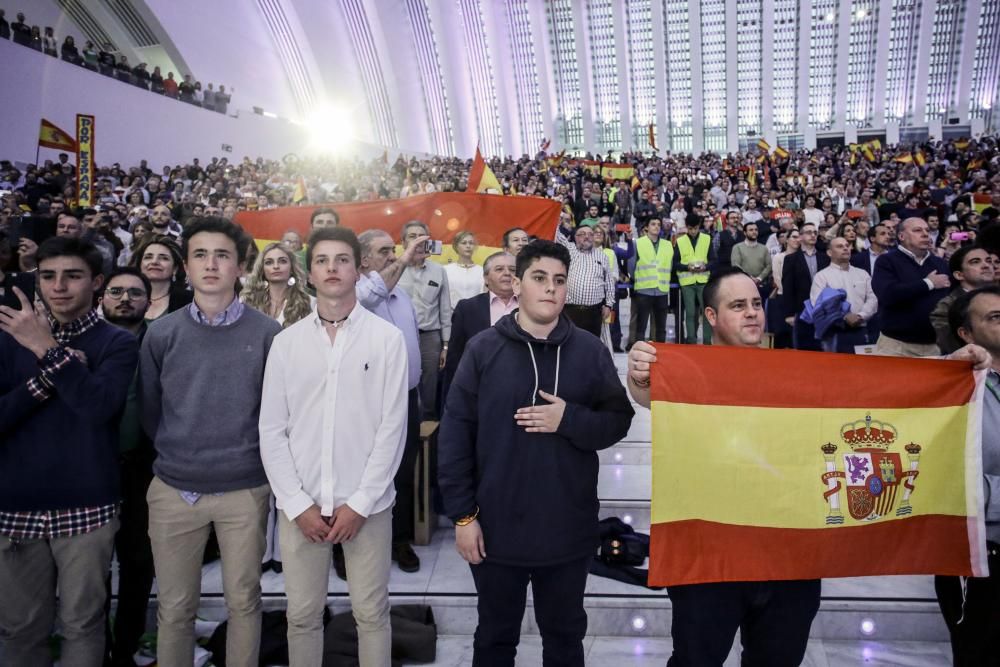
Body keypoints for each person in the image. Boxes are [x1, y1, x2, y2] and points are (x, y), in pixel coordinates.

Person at [439, 240, 634, 666]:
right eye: (540, 278)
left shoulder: (589, 351)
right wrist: (463, 516)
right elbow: (454, 435)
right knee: (494, 638)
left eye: (559, 280)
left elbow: (619, 420)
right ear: (518, 284)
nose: (550, 289)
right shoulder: (483, 349)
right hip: (495, 529)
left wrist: (569, 420)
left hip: (567, 529)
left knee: (564, 639)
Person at [260, 226, 408, 667]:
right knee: (302, 616)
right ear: (309, 271)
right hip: (300, 503)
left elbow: (392, 428)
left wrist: (360, 502)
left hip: (367, 504)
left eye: (342, 259)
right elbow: (272, 429)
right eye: (322, 260)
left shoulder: (386, 339)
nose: (332, 268)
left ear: (358, 267)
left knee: (371, 613)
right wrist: (295, 502)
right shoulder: (286, 343)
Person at [139, 218, 282, 667]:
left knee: (244, 602)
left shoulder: (267, 334)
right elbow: (150, 409)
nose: (211, 264)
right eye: (200, 255)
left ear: (241, 266)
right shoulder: (162, 333)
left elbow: (275, 413)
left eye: (222, 255)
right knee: (175, 608)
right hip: (175, 489)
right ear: (185, 267)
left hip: (244, 489)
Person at [0, 238, 138, 666]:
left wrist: (46, 350)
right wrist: (51, 376)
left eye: (72, 276)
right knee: (19, 628)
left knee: (84, 624)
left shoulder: (117, 342)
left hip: (87, 507)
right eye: (47, 276)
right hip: (15, 507)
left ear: (96, 283)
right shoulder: (5, 339)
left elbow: (98, 407)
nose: (58, 286)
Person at [356, 228, 426, 574]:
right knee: (365, 473)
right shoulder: (355, 294)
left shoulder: (403, 297)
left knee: (403, 473)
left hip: (407, 399)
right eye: (384, 251)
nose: (393, 255)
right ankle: (350, 547)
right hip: (369, 402)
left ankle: (399, 540)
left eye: (393, 250)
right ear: (364, 259)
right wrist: (405, 257)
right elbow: (371, 293)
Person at [939, 286, 1000, 666]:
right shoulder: (954, 382)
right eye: (994, 317)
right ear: (966, 333)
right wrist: (949, 365)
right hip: (981, 554)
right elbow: (947, 479)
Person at [99, 267, 156, 667]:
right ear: (101, 296)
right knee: (94, 569)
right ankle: (96, 646)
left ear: (148, 301)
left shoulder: (162, 339)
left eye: (135, 293)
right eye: (116, 291)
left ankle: (125, 648)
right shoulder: (86, 340)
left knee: (138, 563)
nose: (125, 299)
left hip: (146, 468)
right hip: (92, 467)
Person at [872, 217, 951, 357]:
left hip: (935, 345)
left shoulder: (940, 263)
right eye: (917, 230)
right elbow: (887, 294)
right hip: (896, 346)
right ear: (901, 236)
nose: (925, 234)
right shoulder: (886, 261)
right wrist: (928, 283)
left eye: (927, 230)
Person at [398, 220, 452, 420]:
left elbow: (445, 309)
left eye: (422, 236)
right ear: (403, 242)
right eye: (412, 236)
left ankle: (428, 435)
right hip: (400, 337)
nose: (418, 240)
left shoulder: (438, 271)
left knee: (430, 387)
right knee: (401, 383)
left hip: (430, 338)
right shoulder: (394, 269)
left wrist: (445, 345)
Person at [443, 251, 517, 394]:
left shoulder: (531, 307)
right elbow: (455, 357)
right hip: (479, 386)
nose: (507, 273)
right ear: (486, 278)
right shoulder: (467, 308)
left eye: (513, 270)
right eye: (499, 269)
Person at [809, 237, 878, 353]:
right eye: (840, 246)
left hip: (862, 329)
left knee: (863, 368)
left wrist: (861, 315)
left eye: (847, 245)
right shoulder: (821, 276)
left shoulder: (862, 274)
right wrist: (845, 316)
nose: (846, 248)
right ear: (829, 253)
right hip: (834, 333)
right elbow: (818, 303)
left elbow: (873, 298)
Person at [930, 245, 996, 354]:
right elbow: (950, 345)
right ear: (959, 275)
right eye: (975, 262)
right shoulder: (947, 305)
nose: (986, 265)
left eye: (988, 261)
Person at [555, 223, 615, 338]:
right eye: (582, 234)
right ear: (575, 237)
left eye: (590, 234)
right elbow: (556, 232)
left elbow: (609, 282)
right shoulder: (570, 249)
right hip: (570, 311)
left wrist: (608, 305)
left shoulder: (602, 256)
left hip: (594, 312)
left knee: (591, 344)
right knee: (569, 342)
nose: (586, 237)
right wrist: (557, 209)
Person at [241, 241, 313, 327]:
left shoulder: (309, 302)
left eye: (282, 261)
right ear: (262, 269)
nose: (276, 266)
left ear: (291, 267)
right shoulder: (247, 300)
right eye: (269, 262)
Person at [782, 222, 830, 351]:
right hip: (801, 310)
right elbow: (788, 287)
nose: (813, 235)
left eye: (815, 232)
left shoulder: (825, 258)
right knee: (804, 349)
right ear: (801, 237)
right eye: (809, 232)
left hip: (823, 310)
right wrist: (789, 314)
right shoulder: (791, 259)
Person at [629, 218, 673, 343]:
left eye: (659, 224)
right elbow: (631, 266)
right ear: (646, 227)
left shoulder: (668, 244)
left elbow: (669, 265)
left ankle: (661, 354)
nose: (657, 227)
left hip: (662, 291)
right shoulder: (637, 243)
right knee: (641, 327)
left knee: (661, 328)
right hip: (644, 289)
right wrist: (638, 278)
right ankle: (639, 353)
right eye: (653, 224)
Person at [130, 236, 192, 321]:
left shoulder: (190, 301)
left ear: (175, 269)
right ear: (140, 265)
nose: (154, 262)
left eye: (164, 258)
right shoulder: (125, 297)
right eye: (148, 257)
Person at [676, 214, 713, 344]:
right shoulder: (680, 241)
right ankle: (691, 340)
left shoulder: (707, 239)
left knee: (707, 313)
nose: (693, 231)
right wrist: (687, 267)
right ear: (686, 227)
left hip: (703, 281)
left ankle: (708, 341)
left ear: (699, 227)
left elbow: (714, 260)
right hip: (687, 282)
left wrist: (706, 266)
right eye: (690, 228)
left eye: (696, 228)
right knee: (690, 313)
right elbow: (675, 264)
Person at [731, 220, 772, 301]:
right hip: (743, 285)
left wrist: (759, 278)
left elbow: (769, 265)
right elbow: (735, 265)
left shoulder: (764, 248)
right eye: (751, 230)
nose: (754, 232)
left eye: (756, 230)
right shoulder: (737, 247)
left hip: (761, 285)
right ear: (745, 233)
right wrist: (750, 278)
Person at [443, 231, 484, 309]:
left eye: (471, 243)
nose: (468, 246)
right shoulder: (446, 270)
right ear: (456, 246)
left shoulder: (482, 270)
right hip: (451, 315)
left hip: (476, 313)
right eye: (464, 243)